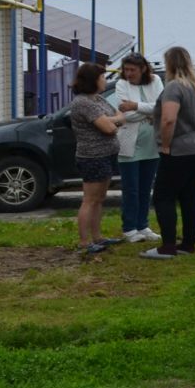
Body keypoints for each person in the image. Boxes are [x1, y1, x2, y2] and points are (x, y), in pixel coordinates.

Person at [146, 46, 195, 259]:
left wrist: (165, 145)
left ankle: (167, 246)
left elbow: (169, 119)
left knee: (163, 196)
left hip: (179, 149)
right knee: (188, 195)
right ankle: (188, 243)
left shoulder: (174, 87)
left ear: (169, 65)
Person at [67, 62, 122, 258]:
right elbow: (108, 127)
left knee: (100, 199)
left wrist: (112, 121)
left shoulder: (98, 99)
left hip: (107, 154)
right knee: (89, 199)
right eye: (102, 77)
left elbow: (118, 117)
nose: (104, 81)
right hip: (92, 156)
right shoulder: (83, 103)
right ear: (92, 80)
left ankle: (98, 237)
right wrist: (112, 122)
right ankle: (84, 241)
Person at [110, 52, 163, 243]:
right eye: (126, 69)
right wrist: (148, 111)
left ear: (143, 69)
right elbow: (125, 115)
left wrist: (136, 106)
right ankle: (129, 227)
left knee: (146, 187)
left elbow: (161, 106)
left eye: (133, 70)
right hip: (129, 143)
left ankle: (143, 225)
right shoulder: (121, 84)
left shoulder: (155, 80)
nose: (129, 73)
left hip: (151, 143)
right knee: (131, 188)